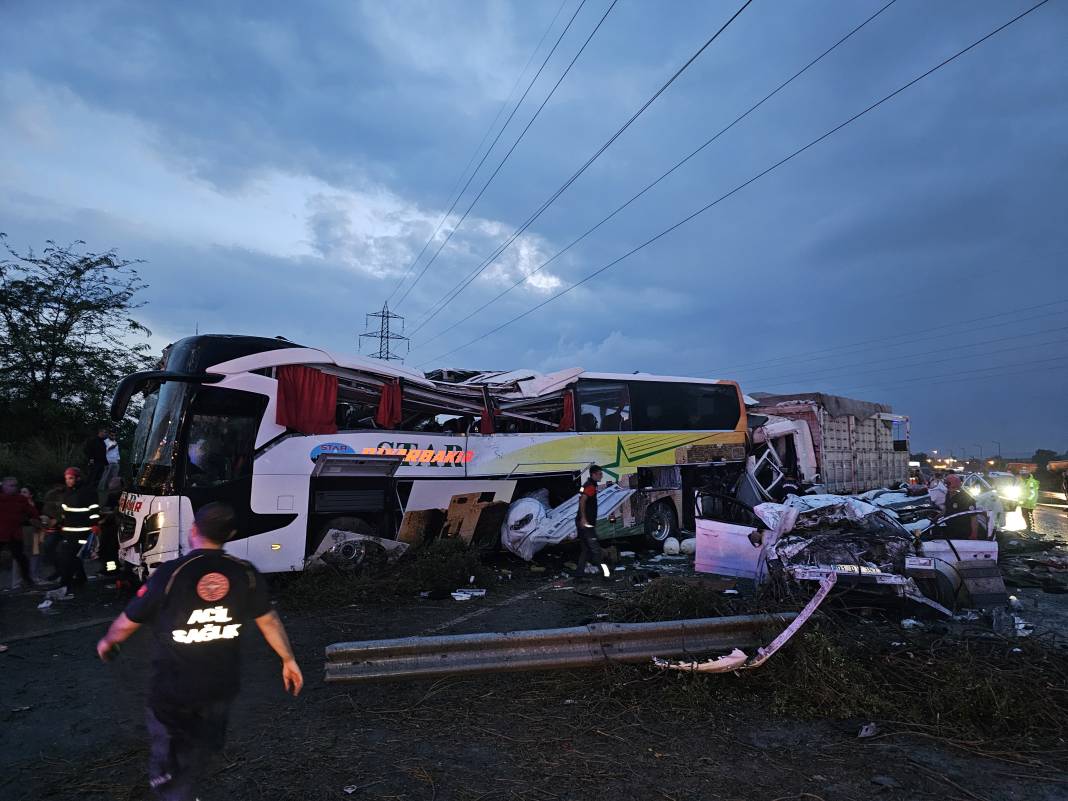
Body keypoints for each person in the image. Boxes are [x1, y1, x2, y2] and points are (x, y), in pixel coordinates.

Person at [96, 502, 303, 801]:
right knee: (203, 742)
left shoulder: (171, 572)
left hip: (172, 691)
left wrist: (108, 642)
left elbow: (128, 622)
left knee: (171, 760)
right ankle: (190, 779)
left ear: (193, 531)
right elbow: (268, 620)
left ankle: (176, 789)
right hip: (221, 687)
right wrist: (288, 659)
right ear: (230, 534)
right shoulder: (245, 573)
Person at [57, 466, 100, 596]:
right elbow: (65, 511)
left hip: (82, 530)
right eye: (66, 478)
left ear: (78, 478)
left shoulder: (87, 492)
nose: (68, 481)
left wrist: (94, 525)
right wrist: (61, 522)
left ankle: (65, 583)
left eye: (71, 478)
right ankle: (80, 578)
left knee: (69, 556)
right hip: (70, 530)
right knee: (73, 556)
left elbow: (93, 509)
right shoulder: (68, 492)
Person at [574, 465, 610, 581]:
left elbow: (580, 496)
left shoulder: (587, 485)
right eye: (599, 474)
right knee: (596, 550)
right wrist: (584, 518)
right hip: (586, 524)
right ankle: (606, 574)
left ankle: (579, 575)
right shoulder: (590, 487)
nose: (601, 476)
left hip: (582, 522)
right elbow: (583, 501)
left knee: (585, 550)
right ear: (593, 474)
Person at [0, 476, 37, 589]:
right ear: (4, 486)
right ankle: (27, 580)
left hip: (14, 533)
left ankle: (27, 579)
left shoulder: (20, 499)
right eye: (11, 485)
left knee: (21, 557)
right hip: (2, 533)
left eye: (15, 485)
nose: (14, 488)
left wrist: (36, 519)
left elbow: (32, 512)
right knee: (20, 557)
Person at [942, 474, 978, 539]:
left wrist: (974, 534)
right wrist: (935, 519)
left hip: (962, 531)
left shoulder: (967, 498)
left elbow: (973, 517)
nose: (946, 486)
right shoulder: (948, 494)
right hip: (950, 528)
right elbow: (945, 509)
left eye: (948, 484)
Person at [98, 430, 121, 500]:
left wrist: (118, 460)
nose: (113, 436)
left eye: (114, 435)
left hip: (115, 462)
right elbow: (103, 451)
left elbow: (117, 452)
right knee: (105, 476)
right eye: (112, 435)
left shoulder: (115, 443)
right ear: (109, 435)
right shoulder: (105, 442)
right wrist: (110, 448)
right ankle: (101, 489)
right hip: (108, 461)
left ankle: (112, 489)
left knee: (114, 477)